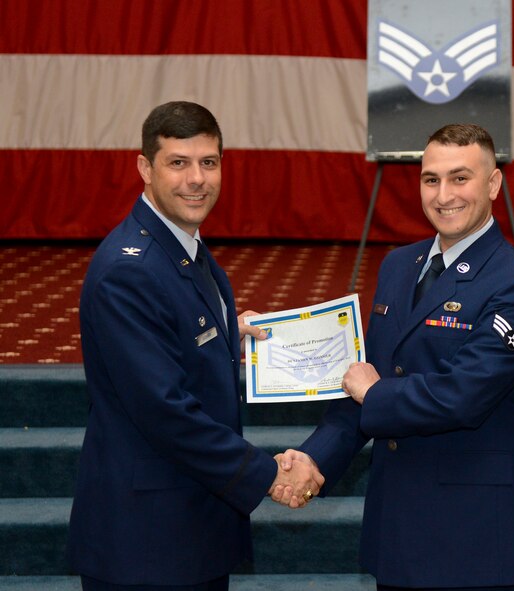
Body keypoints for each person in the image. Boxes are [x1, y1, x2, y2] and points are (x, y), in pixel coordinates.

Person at [277, 123, 514, 590]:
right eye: (431, 179)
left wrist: (375, 391)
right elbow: (363, 383)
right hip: (399, 524)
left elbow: (461, 396)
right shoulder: (399, 266)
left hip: (478, 535)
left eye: (460, 178)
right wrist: (313, 459)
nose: (443, 195)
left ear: (493, 184)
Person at [67, 101, 324, 591]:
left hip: (186, 524)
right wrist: (266, 473)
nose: (196, 179)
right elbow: (165, 409)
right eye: (178, 163)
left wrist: (229, 329)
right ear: (145, 168)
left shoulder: (182, 247)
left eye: (208, 162)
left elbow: (175, 340)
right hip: (146, 540)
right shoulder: (131, 270)